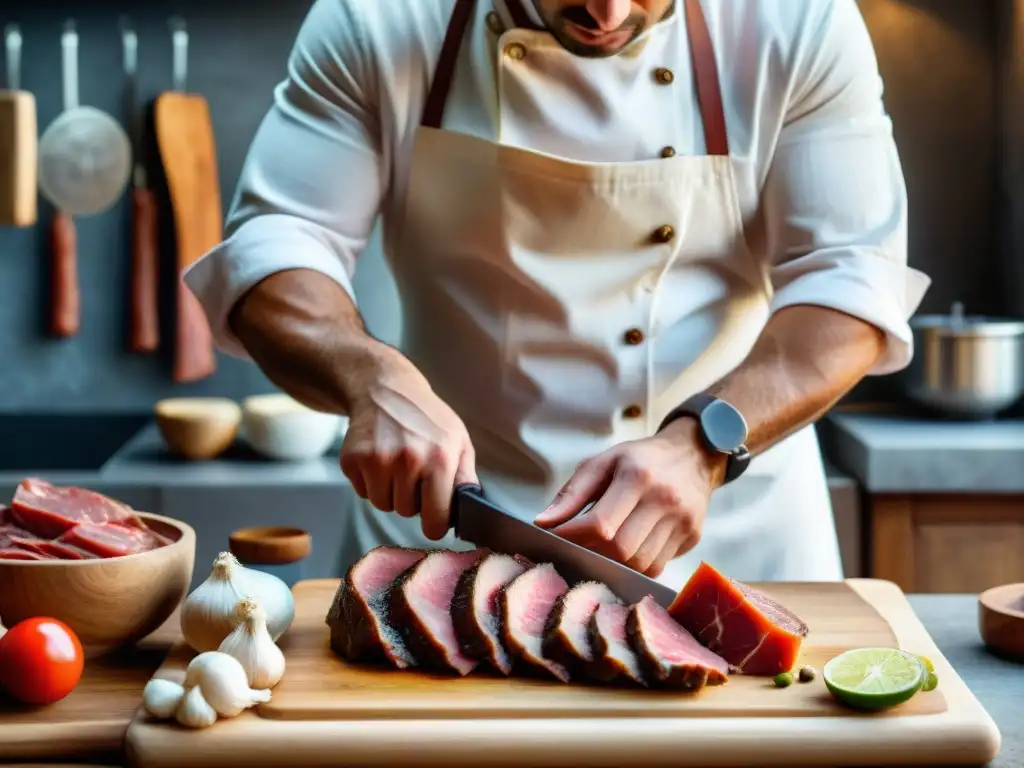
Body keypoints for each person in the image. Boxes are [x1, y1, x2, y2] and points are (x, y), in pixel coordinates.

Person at [184, 0, 930, 586]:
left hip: (733, 535)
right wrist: (371, 379)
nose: (607, 13)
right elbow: (277, 244)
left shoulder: (796, 20)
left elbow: (850, 279)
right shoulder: (380, 18)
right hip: (449, 531)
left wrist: (707, 441)